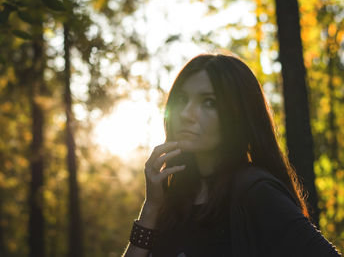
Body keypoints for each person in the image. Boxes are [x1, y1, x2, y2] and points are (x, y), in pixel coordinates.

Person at [122, 53, 342, 257]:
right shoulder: (176, 196)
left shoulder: (256, 191)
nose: (186, 113)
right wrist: (151, 207)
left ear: (238, 115)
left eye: (209, 102)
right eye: (182, 100)